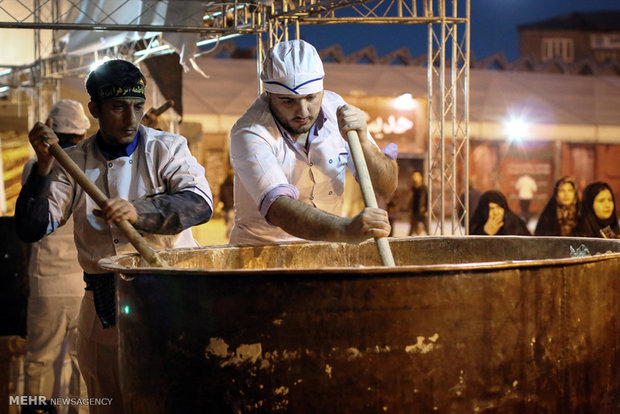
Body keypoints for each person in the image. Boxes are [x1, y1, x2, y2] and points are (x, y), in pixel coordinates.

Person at [15, 59, 213, 413]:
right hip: (104, 306)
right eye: (118, 107)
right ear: (95, 109)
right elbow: (32, 227)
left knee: (171, 399)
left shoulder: (167, 148)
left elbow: (198, 205)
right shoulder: (72, 162)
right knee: (109, 401)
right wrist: (43, 166)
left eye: (137, 106)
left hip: (169, 300)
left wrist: (141, 212)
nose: (131, 118)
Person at [229, 40, 397, 245]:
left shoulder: (336, 108)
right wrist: (345, 229)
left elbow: (385, 186)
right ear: (269, 94)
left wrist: (364, 142)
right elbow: (279, 208)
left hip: (325, 253)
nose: (303, 111)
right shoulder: (250, 132)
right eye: (288, 101)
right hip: (261, 258)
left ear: (322, 89)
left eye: (311, 97)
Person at [21, 100, 90, 414]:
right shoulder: (90, 164)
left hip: (46, 282)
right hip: (83, 284)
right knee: (82, 361)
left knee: (40, 359)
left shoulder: (35, 166)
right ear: (82, 132)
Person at [408, 171, 428, 236]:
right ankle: (408, 239)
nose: (415, 182)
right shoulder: (413, 188)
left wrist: (427, 210)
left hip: (422, 211)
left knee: (427, 228)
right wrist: (410, 209)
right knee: (411, 229)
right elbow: (411, 200)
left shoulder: (424, 188)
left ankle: (430, 238)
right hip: (415, 211)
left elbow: (427, 200)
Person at [219, 168, 234, 238]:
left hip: (231, 206)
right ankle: (228, 233)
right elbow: (221, 195)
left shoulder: (233, 185)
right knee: (228, 220)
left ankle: (228, 234)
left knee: (230, 220)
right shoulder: (224, 185)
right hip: (227, 206)